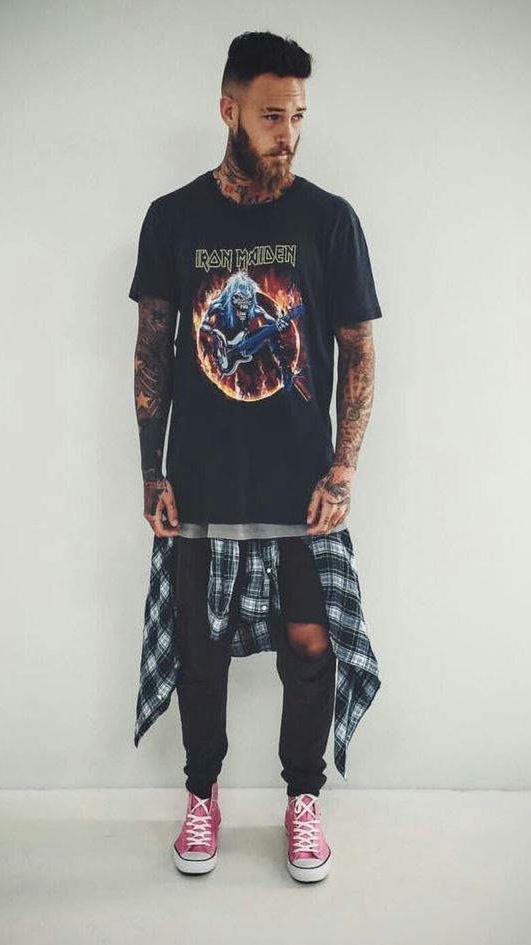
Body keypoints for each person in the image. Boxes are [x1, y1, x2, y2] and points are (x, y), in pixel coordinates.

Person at [128, 30, 383, 882]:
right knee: (198, 650)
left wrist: (344, 469)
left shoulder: (329, 218)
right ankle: (201, 795)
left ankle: (302, 799)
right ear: (228, 109)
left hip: (301, 484)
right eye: (272, 115)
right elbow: (152, 350)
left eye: (299, 115)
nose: (289, 133)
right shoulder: (173, 218)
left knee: (310, 644)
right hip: (201, 477)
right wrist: (151, 469)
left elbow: (359, 349)